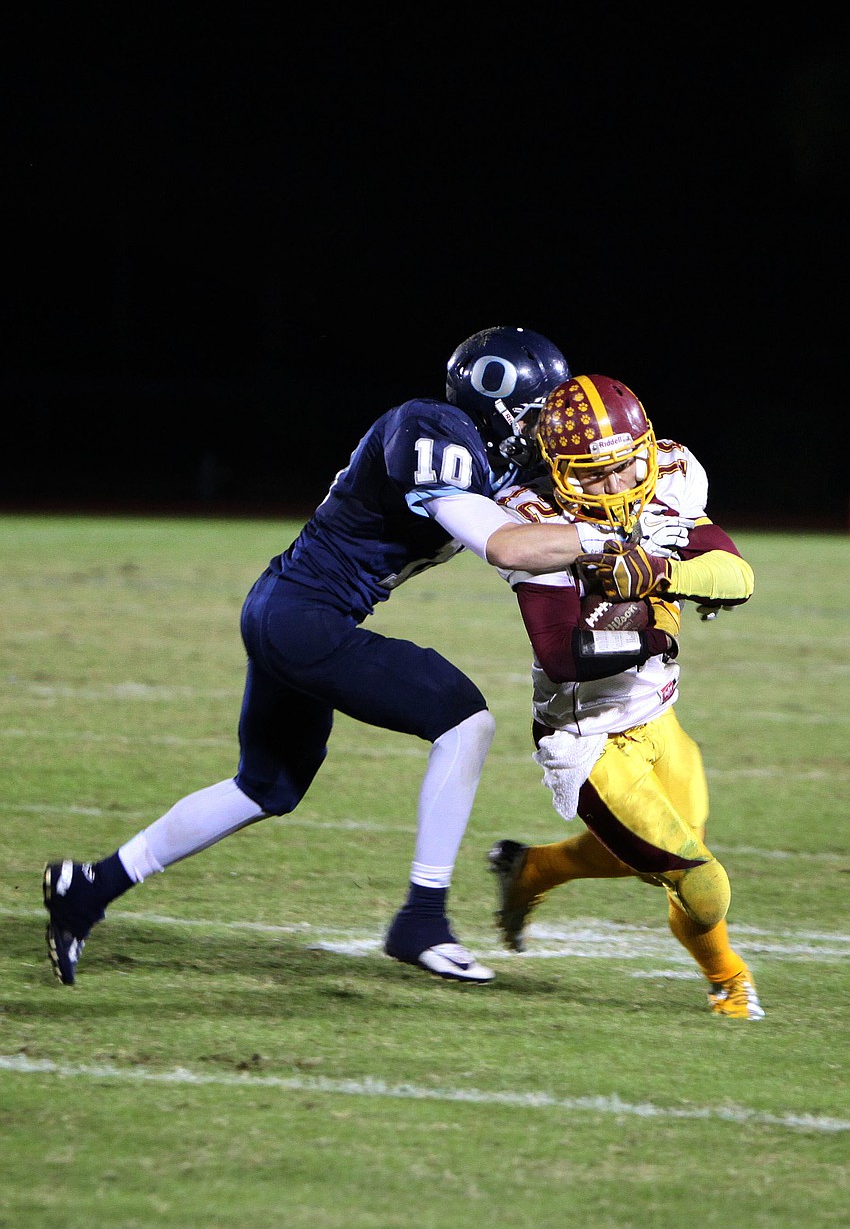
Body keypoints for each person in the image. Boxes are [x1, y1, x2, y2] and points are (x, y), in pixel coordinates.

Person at [41, 325, 611, 989]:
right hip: (303, 616)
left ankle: (88, 889)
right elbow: (509, 547)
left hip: (289, 609)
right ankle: (422, 920)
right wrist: (604, 540)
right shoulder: (430, 427)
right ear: (495, 399)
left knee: (267, 786)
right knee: (465, 720)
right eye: (537, 409)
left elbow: (570, 499)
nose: (547, 425)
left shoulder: (497, 457)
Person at [487, 373, 765, 1019]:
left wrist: (665, 573)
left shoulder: (668, 478)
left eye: (623, 468)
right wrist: (657, 633)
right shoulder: (540, 523)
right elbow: (562, 653)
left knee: (662, 853)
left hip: (657, 716)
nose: (614, 487)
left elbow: (736, 573)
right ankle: (729, 982)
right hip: (587, 738)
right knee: (702, 883)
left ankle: (530, 870)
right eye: (592, 474)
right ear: (558, 473)